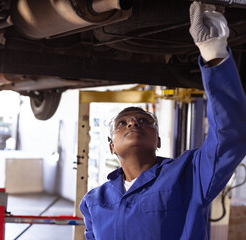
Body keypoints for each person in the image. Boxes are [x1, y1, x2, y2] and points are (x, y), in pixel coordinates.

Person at [79, 2, 246, 240]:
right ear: (111, 146)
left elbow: (230, 136)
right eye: (122, 123)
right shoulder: (93, 201)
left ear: (157, 139)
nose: (133, 123)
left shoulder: (189, 174)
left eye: (143, 120)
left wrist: (213, 50)